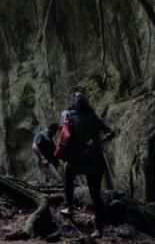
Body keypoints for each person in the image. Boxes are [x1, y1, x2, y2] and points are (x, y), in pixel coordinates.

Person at [56, 92, 115, 239]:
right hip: (94, 158)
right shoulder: (93, 116)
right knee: (96, 194)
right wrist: (98, 142)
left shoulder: (67, 114)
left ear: (72, 102)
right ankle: (98, 229)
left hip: (75, 158)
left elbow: (64, 135)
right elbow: (111, 132)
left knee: (68, 176)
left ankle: (69, 208)